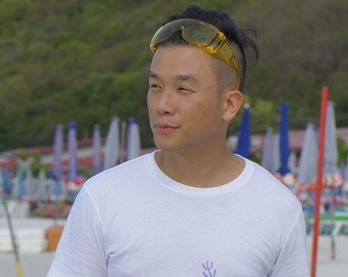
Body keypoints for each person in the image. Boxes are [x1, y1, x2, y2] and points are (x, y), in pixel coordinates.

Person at [48, 5, 309, 277]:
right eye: (155, 87)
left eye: (183, 89)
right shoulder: (102, 197)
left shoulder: (277, 209)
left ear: (229, 104)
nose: (163, 105)